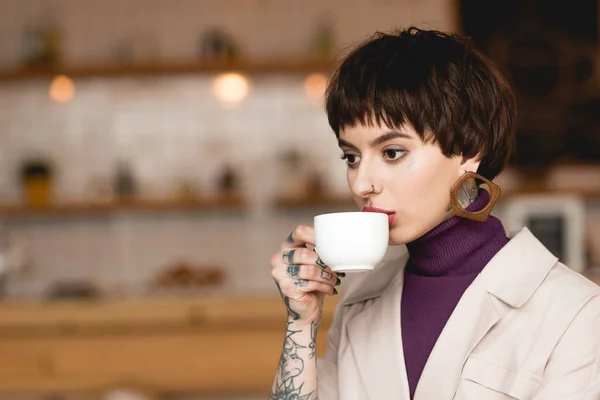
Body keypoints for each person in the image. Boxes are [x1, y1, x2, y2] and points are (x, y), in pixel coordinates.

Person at [269, 27, 600, 400]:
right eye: (351, 157)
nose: (362, 184)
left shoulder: (577, 313)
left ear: (469, 148)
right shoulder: (358, 304)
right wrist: (301, 323)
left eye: (392, 153)